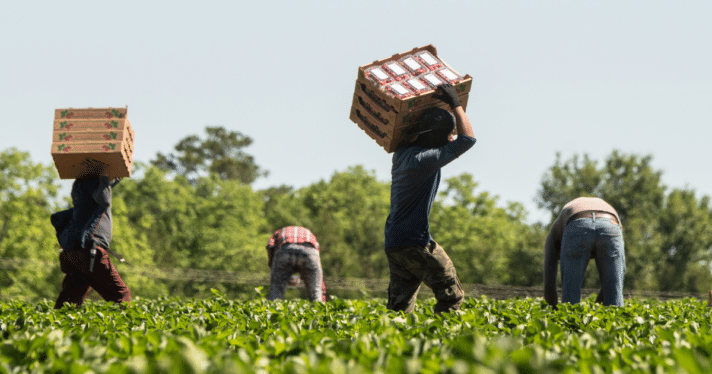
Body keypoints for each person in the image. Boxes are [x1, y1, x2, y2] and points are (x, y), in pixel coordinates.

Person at [383, 83, 476, 315]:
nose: (452, 138)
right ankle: (442, 343)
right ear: (438, 137)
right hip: (416, 241)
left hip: (394, 241)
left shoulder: (402, 154)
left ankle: (393, 346)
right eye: (449, 134)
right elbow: (468, 140)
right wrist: (456, 103)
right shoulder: (426, 160)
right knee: (451, 294)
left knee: (399, 308)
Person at [51, 161, 130, 308]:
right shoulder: (95, 183)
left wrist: (112, 180)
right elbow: (103, 199)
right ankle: (122, 329)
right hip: (90, 252)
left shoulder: (80, 184)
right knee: (121, 294)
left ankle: (54, 328)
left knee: (70, 299)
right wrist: (106, 176)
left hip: (73, 253)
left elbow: (99, 192)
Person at [543, 197, 626, 308]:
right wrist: (598, 311)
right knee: (614, 295)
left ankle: (571, 323)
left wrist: (553, 311)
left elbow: (549, 283)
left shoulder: (552, 236)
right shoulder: (557, 230)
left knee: (570, 298)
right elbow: (615, 279)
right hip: (611, 225)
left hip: (577, 222)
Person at [266, 226, 326, 302]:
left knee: (276, 291)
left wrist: (275, 271)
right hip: (310, 251)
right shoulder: (310, 234)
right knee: (315, 292)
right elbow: (316, 266)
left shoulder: (277, 233)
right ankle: (320, 311)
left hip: (285, 249)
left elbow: (270, 246)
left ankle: (271, 311)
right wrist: (322, 289)